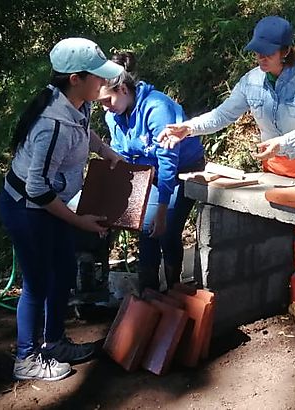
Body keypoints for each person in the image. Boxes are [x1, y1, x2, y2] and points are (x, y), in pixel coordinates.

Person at [157, 16, 295, 328]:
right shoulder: (251, 81)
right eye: (257, 52)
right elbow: (223, 114)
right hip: (276, 169)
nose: (261, 57)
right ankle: (275, 295)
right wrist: (188, 127)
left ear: (286, 50)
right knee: (275, 233)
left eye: (267, 52)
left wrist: (283, 142)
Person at [0, 37, 124, 381]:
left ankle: (53, 342)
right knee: (38, 283)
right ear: (75, 79)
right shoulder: (50, 125)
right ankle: (26, 359)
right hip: (27, 209)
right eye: (98, 76)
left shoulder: (75, 104)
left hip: (47, 204)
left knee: (64, 271)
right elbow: (36, 189)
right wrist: (80, 222)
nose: (104, 82)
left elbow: (86, 133)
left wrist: (107, 152)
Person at [97, 51, 205, 291]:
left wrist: (162, 210)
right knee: (146, 229)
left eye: (107, 101)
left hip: (183, 171)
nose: (105, 108)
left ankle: (175, 289)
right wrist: (108, 210)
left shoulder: (157, 108)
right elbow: (121, 159)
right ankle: (148, 293)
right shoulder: (113, 116)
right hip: (150, 173)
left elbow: (168, 161)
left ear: (123, 90)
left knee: (165, 228)